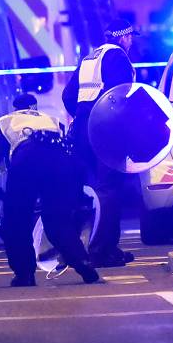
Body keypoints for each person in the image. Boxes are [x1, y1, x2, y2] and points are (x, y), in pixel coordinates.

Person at [0, 94, 99, 286]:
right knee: (58, 220)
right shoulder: (51, 121)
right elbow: (70, 150)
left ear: (14, 108)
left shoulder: (7, 121)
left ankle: (24, 274)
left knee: (17, 220)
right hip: (61, 162)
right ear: (34, 107)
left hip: (27, 159)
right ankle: (83, 263)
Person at [63, 19, 137, 267]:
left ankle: (79, 249)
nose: (131, 41)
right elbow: (122, 96)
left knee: (89, 190)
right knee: (109, 190)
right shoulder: (119, 58)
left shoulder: (89, 58)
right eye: (130, 37)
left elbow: (67, 94)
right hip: (106, 129)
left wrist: (82, 114)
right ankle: (101, 251)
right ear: (124, 37)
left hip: (84, 128)